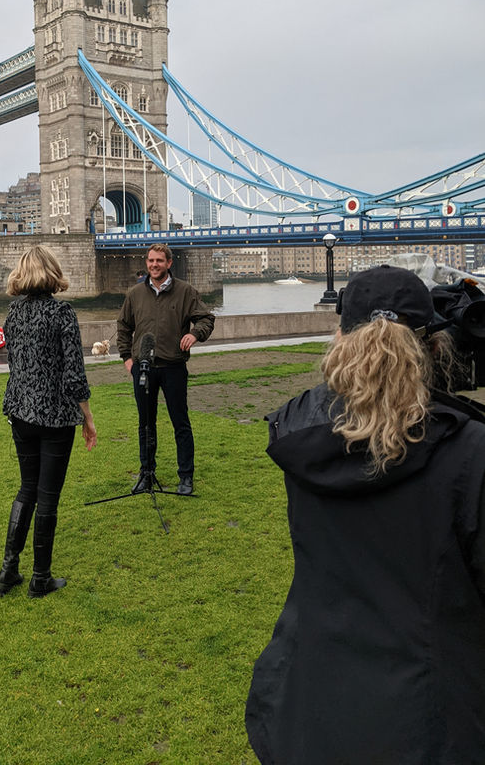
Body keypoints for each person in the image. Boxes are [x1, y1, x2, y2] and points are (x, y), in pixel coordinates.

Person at [246, 265, 485, 764]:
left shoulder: (297, 436)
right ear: (435, 348)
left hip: (307, 704)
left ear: (339, 339)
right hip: (428, 720)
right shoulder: (470, 452)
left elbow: (328, 404)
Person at [0, 246, 97, 599]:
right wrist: (87, 416)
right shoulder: (62, 313)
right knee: (48, 496)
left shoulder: (13, 313)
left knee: (27, 489)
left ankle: (8, 570)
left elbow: (18, 365)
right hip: (54, 415)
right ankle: (41, 578)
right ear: (52, 272)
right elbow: (74, 374)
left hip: (20, 412)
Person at [117, 243, 215, 495]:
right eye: (150, 260)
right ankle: (146, 474)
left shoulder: (185, 292)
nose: (154, 265)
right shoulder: (135, 294)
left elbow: (206, 319)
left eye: (159, 261)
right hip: (143, 368)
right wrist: (128, 358)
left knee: (180, 423)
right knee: (146, 424)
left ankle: (186, 477)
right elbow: (124, 326)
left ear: (169, 263)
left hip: (173, 366)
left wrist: (195, 335)